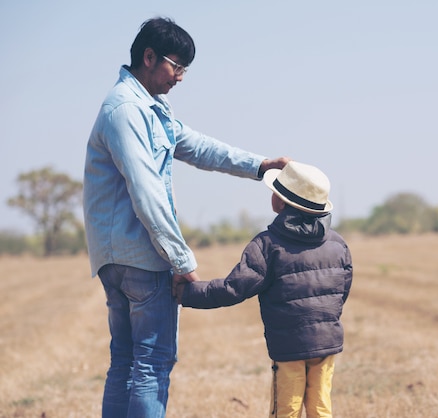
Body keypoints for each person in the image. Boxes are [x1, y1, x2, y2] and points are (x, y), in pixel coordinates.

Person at [82, 17, 289, 418]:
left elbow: (198, 147)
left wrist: (260, 166)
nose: (180, 77)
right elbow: (147, 194)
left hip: (115, 256)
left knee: (125, 361)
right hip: (139, 257)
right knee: (152, 363)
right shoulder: (127, 111)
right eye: (176, 66)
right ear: (148, 57)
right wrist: (181, 260)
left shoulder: (150, 107)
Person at [176, 161, 353, 418]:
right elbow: (341, 291)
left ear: (279, 203)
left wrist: (185, 293)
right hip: (327, 341)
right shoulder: (339, 244)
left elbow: (234, 288)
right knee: (321, 408)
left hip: (289, 345)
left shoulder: (267, 244)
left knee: (286, 409)